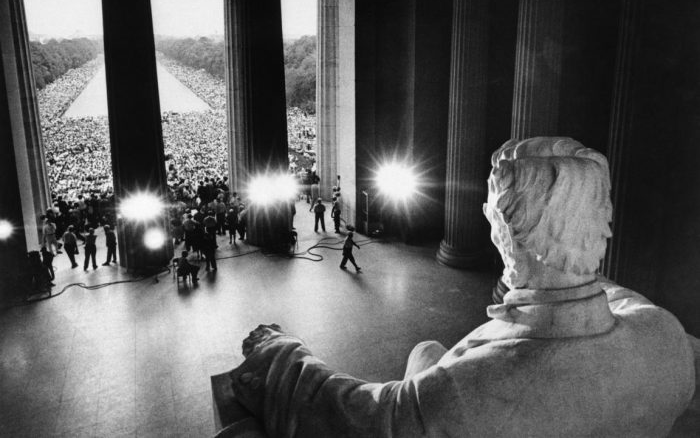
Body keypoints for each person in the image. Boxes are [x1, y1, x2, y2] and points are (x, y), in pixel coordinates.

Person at [220, 137, 696, 438]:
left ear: (506, 227)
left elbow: (351, 416)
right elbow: (619, 298)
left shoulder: (469, 395)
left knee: (426, 354)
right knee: (428, 353)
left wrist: (282, 354)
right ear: (600, 221)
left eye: (491, 211)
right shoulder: (666, 336)